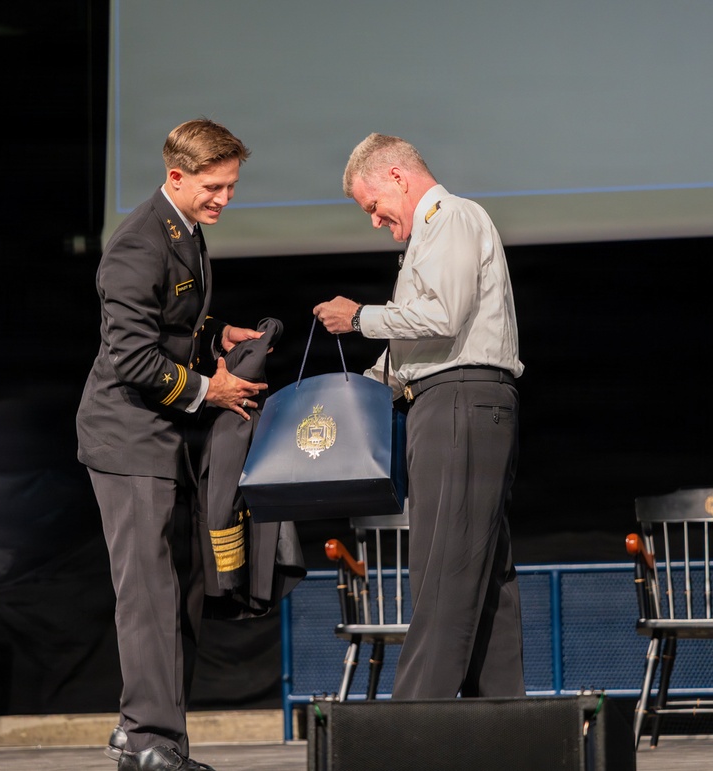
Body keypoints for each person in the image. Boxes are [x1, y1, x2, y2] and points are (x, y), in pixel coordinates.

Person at [76, 118, 267, 771]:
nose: (224, 199)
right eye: (214, 187)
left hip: (164, 436)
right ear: (177, 176)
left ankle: (152, 736)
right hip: (127, 437)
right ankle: (148, 737)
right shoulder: (137, 241)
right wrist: (208, 390)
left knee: (180, 591)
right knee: (150, 592)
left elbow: (172, 325)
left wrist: (215, 339)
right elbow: (131, 356)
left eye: (231, 187)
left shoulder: (184, 230)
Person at [314, 133, 525, 700]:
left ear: (397, 178)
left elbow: (442, 314)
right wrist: (350, 394)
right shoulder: (429, 237)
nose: (376, 221)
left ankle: (414, 722)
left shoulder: (453, 217)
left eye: (373, 206)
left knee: (445, 563)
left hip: (459, 401)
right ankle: (503, 720)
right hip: (454, 399)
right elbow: (413, 346)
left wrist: (358, 317)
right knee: (484, 573)